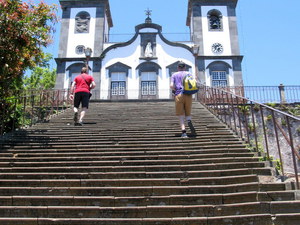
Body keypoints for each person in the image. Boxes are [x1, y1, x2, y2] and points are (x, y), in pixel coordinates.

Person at [170, 61, 196, 138]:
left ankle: (184, 132)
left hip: (179, 95)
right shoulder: (189, 74)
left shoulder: (174, 74)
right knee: (188, 111)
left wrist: (175, 89)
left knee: (181, 114)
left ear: (178, 68)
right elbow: (194, 83)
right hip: (188, 94)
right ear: (185, 67)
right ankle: (188, 120)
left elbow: (171, 85)